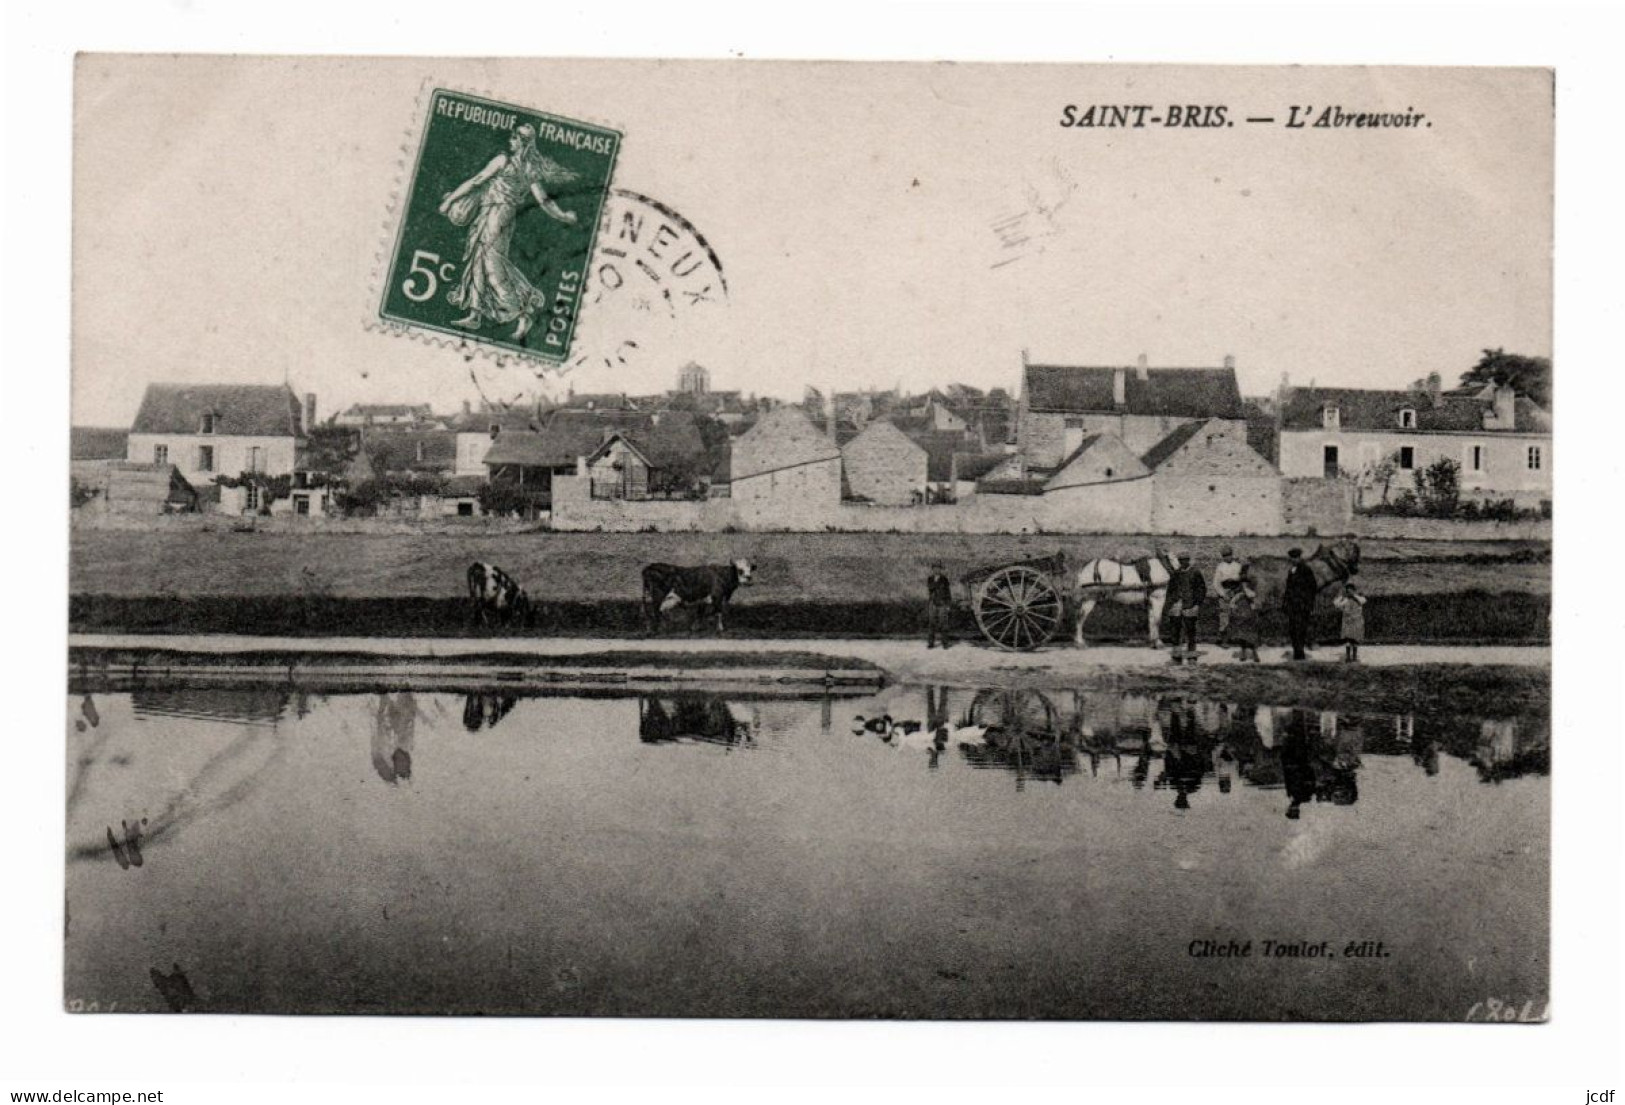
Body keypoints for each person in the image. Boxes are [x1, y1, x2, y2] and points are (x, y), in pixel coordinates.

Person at [438, 124, 580, 341]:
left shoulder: (503, 160)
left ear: (522, 142)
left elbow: (476, 181)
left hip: (497, 213)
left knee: (491, 263)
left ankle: (521, 313)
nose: (510, 141)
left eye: (514, 138)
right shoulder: (530, 168)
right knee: (479, 259)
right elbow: (544, 200)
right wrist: (562, 216)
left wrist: (449, 200)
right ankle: (475, 313)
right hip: (497, 212)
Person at [1166, 553, 1206, 659]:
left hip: (1190, 604)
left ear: (1188, 560)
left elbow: (1201, 589)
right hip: (1177, 603)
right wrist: (1171, 602)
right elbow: (1170, 589)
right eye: (1181, 560)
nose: (1183, 562)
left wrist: (1197, 604)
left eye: (1185, 560)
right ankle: (1176, 652)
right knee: (1175, 628)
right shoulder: (1176, 573)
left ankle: (1191, 652)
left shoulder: (1195, 573)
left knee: (1190, 628)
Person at [1282, 547, 1319, 661]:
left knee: (1300, 628)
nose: (1294, 560)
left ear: (1299, 558)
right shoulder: (1291, 571)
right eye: (1292, 558)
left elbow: (1313, 587)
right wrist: (1285, 602)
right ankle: (1296, 651)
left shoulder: (1306, 570)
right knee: (1293, 628)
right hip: (1292, 605)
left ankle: (1300, 653)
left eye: (1295, 558)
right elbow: (1288, 589)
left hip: (1302, 605)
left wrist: (1308, 602)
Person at [1212, 545, 1246, 641]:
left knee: (1236, 614)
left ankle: (1236, 637)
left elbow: (1242, 580)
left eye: (1229, 555)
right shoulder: (1220, 567)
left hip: (1236, 591)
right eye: (1225, 556)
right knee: (1224, 615)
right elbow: (1216, 583)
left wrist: (1238, 591)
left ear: (1232, 555)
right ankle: (1224, 639)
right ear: (1223, 557)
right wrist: (1223, 594)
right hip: (1225, 591)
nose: (1228, 557)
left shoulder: (1238, 566)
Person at [1333, 579, 1367, 663]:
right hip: (1347, 621)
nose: (1350, 591)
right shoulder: (1345, 600)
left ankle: (1354, 657)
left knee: (1355, 639)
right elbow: (1337, 604)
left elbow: (1363, 601)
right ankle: (1348, 657)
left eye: (1351, 589)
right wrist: (1342, 596)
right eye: (1348, 589)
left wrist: (1354, 596)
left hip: (1357, 620)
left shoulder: (1359, 598)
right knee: (1348, 639)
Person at [1229, 576, 1262, 662]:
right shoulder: (1238, 592)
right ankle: (1243, 652)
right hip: (1240, 615)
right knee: (1242, 635)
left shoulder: (1251, 591)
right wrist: (1234, 607)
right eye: (1242, 583)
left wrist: (1246, 590)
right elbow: (1232, 602)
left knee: (1251, 635)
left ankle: (1254, 653)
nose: (1243, 585)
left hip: (1250, 615)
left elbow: (1252, 597)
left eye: (1245, 583)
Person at [926, 560, 954, 649]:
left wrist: (948, 605)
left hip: (942, 603)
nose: (936, 570)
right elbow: (930, 587)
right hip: (933, 604)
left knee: (943, 624)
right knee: (931, 623)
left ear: (940, 570)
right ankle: (931, 643)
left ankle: (945, 643)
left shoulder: (944, 579)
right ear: (932, 569)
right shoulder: (930, 579)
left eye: (938, 568)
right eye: (934, 568)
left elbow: (948, 592)